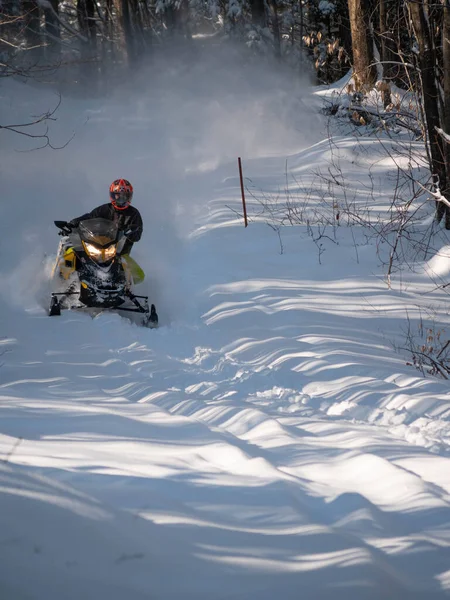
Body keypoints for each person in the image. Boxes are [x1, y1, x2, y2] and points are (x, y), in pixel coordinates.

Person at [69, 179, 143, 256]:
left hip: (120, 252)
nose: (121, 199)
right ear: (113, 195)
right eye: (118, 195)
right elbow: (90, 216)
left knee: (130, 266)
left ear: (129, 196)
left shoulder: (134, 213)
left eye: (124, 196)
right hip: (99, 246)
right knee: (73, 252)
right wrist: (73, 223)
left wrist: (128, 232)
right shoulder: (104, 209)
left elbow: (138, 234)